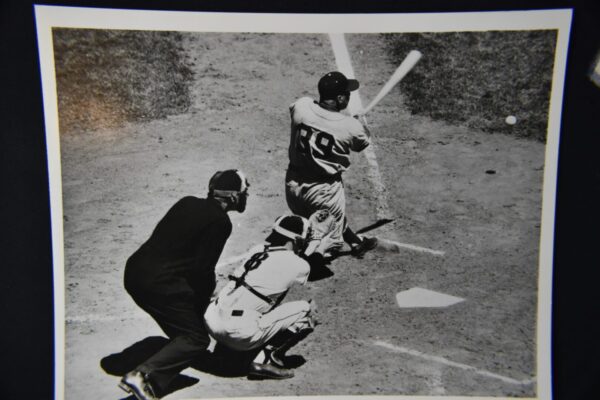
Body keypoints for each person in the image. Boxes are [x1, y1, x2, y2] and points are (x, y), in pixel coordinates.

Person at [119, 169, 250, 400]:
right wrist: (206, 302)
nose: (245, 196)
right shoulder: (220, 222)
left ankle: (170, 361)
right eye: (243, 192)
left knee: (186, 330)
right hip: (157, 284)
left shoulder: (187, 202)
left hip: (134, 272)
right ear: (232, 197)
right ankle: (143, 375)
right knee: (197, 339)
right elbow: (202, 270)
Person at [204, 214, 332, 380]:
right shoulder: (294, 263)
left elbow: (296, 258)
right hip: (236, 334)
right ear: (296, 241)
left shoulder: (258, 250)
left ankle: (229, 352)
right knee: (307, 310)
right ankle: (262, 360)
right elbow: (312, 268)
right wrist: (319, 245)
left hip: (212, 322)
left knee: (253, 298)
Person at [285, 71, 378, 258]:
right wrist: (359, 123)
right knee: (325, 245)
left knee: (317, 222)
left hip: (293, 185)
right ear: (340, 98)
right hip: (323, 192)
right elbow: (362, 142)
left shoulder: (302, 106)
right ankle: (309, 263)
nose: (349, 98)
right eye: (347, 95)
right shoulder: (350, 127)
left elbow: (305, 112)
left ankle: (355, 242)